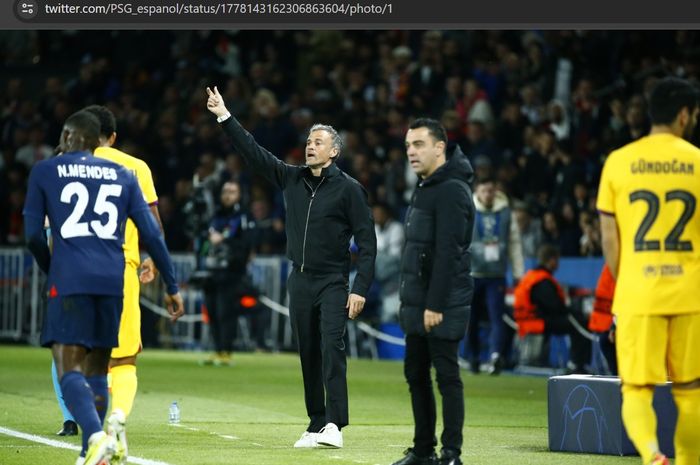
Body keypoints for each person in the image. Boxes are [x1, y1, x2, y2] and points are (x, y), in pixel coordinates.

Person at [206, 86, 376, 449]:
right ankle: (316, 423)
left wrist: (359, 287)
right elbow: (253, 153)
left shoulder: (349, 190)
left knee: (332, 346)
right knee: (308, 352)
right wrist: (224, 116)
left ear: (334, 151)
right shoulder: (292, 178)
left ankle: (336, 425)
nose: (309, 146)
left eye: (318, 142)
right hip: (298, 280)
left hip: (333, 279)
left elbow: (368, 242)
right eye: (308, 141)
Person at [23, 110, 184, 465]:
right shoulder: (125, 173)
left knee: (69, 365)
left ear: (69, 137)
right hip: (115, 277)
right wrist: (172, 283)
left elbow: (34, 234)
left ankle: (94, 436)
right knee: (104, 365)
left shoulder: (48, 170)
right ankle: (92, 451)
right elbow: (154, 234)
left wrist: (51, 267)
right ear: (104, 137)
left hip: (70, 275)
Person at [597, 77, 700, 465]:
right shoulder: (698, 161)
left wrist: (628, 284)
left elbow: (610, 239)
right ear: (684, 115)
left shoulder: (619, 162)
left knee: (637, 389)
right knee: (690, 392)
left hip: (639, 292)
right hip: (691, 293)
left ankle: (652, 455)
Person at [392, 118, 474, 465]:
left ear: (439, 148)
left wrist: (435, 304)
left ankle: (451, 453)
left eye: (419, 145)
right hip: (418, 301)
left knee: (447, 375)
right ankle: (423, 449)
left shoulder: (452, 189)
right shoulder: (426, 186)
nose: (411, 151)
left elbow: (448, 251)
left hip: (441, 302)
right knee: (415, 374)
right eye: (409, 145)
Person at [466, 177, 524, 374]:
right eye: (484, 191)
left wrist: (518, 272)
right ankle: (473, 358)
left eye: (491, 191)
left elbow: (514, 243)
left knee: (496, 317)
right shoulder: (468, 209)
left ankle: (496, 356)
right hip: (472, 274)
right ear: (477, 192)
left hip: (496, 275)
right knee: (471, 319)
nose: (488, 195)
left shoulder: (506, 212)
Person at [512, 244, 590, 372]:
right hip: (538, 322)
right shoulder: (543, 280)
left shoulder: (531, 276)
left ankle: (576, 363)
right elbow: (555, 307)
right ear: (552, 260)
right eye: (557, 260)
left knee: (575, 321)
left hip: (526, 320)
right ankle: (578, 364)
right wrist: (575, 312)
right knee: (579, 324)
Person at [202, 180, 253, 365]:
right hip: (211, 270)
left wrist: (223, 241)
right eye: (225, 191)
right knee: (212, 311)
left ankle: (226, 351)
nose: (227, 195)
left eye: (232, 191)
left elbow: (247, 243)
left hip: (232, 273)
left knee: (226, 312)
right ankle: (216, 350)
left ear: (239, 194)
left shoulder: (243, 216)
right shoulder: (215, 215)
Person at [588, 263, 617, 375]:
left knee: (601, 373)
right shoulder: (619, 265)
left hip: (604, 321)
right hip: (606, 322)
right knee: (604, 373)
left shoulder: (611, 264)